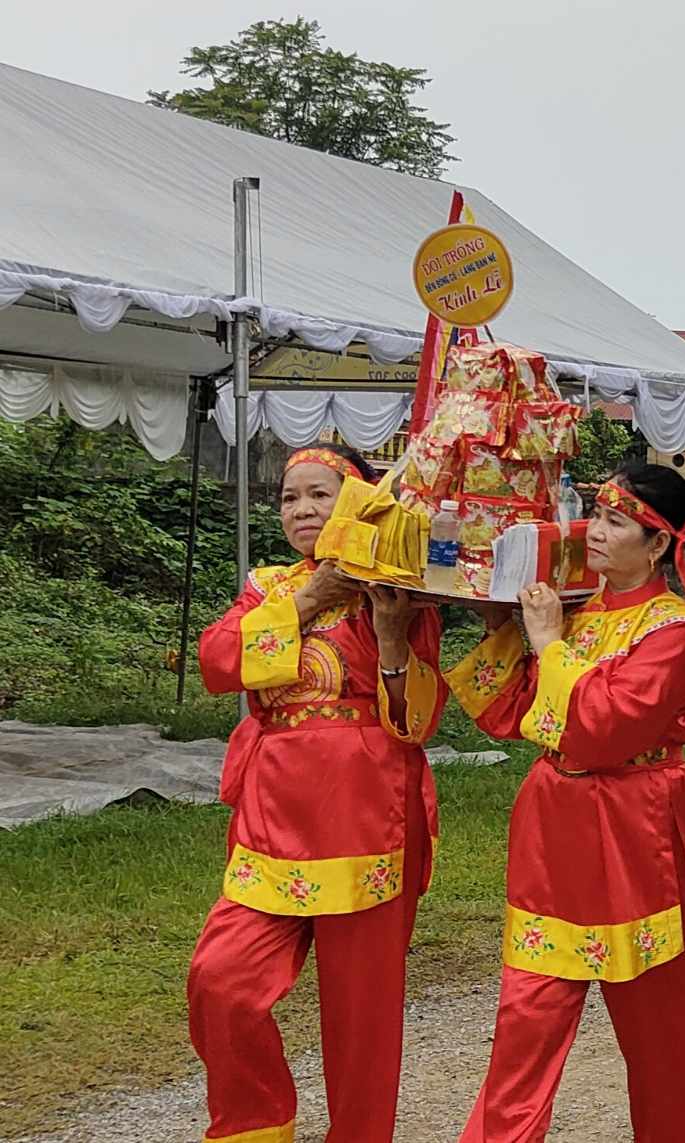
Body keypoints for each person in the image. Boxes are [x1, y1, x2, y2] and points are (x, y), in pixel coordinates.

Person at [451, 465, 685, 1142]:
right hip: (554, 828)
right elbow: (507, 712)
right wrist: (503, 631)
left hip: (637, 834)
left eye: (615, 520)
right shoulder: (578, 608)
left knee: (662, 1036)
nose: (594, 531)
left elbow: (604, 729)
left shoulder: (675, 631)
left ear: (657, 544)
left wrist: (548, 644)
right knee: (525, 1020)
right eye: (595, 512)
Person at [188, 444, 445, 1143]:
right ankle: (256, 1123)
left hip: (370, 813)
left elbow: (418, 720)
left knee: (363, 1016)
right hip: (274, 814)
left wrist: (391, 637)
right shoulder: (268, 585)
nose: (302, 509)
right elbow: (217, 660)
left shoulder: (398, 588)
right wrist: (308, 600)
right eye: (289, 497)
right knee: (220, 977)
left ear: (356, 504)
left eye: (320, 495)